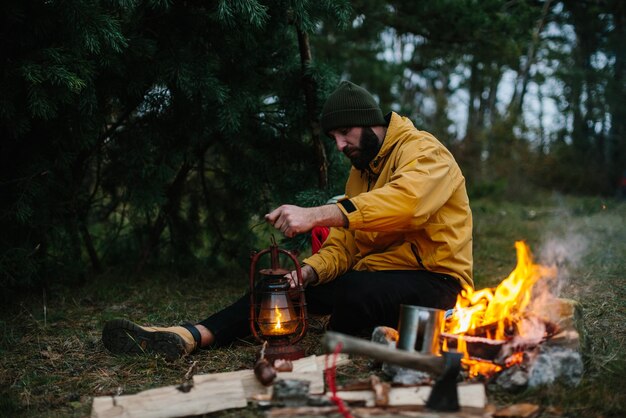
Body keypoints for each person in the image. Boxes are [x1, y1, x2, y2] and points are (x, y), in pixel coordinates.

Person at [102, 80, 473, 360]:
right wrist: (308, 273)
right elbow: (348, 243)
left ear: (369, 122)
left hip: (438, 283)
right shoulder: (362, 171)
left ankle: (360, 333)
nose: (340, 145)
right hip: (380, 275)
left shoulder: (425, 152)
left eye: (344, 133)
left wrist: (316, 214)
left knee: (356, 296)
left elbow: (407, 204)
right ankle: (191, 335)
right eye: (334, 137)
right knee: (282, 288)